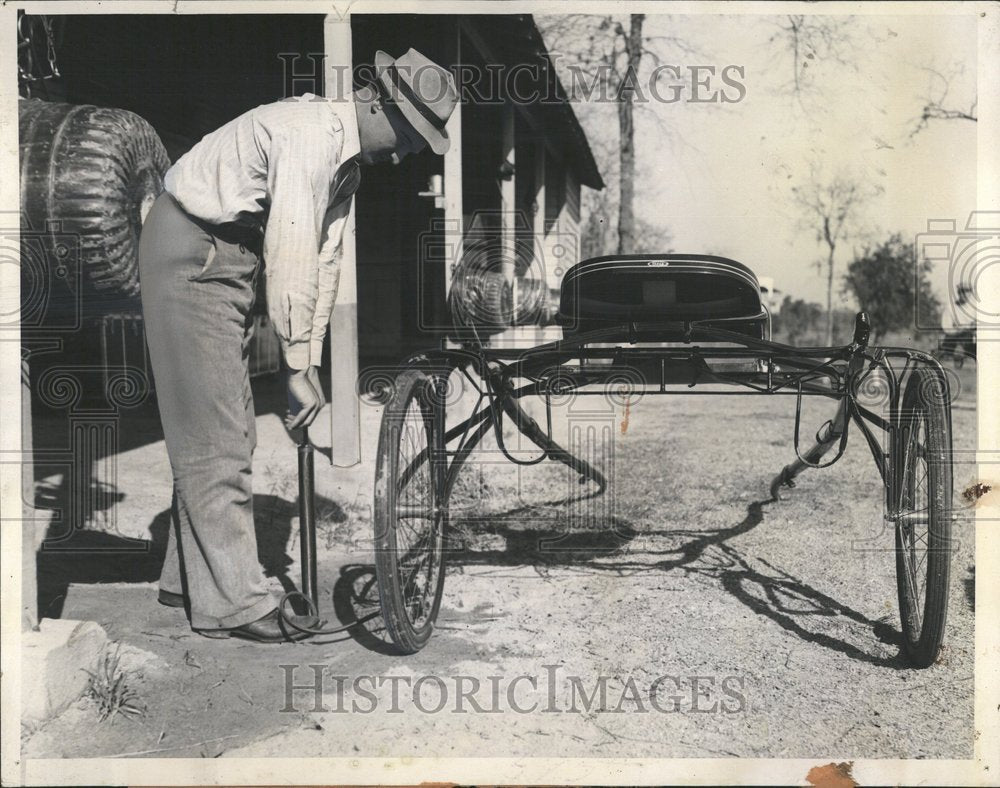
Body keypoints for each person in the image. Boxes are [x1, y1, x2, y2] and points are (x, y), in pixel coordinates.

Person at [138, 49, 459, 643]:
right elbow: (290, 253)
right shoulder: (309, 136)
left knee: (225, 428)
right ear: (378, 101)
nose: (414, 151)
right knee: (217, 433)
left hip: (227, 258)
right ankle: (236, 602)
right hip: (191, 249)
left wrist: (307, 362)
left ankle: (189, 581)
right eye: (414, 133)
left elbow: (324, 261)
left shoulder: (347, 165)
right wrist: (293, 366)